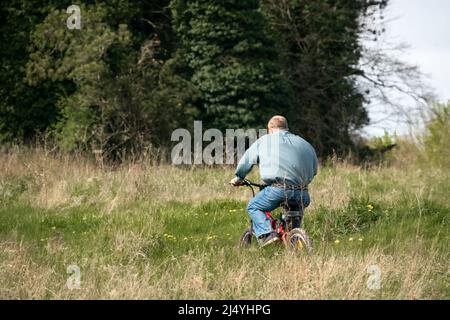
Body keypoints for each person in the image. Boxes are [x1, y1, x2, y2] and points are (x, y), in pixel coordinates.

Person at [230, 115, 318, 247]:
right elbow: (314, 170)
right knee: (292, 221)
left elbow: (246, 161)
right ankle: (294, 240)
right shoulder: (305, 143)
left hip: (279, 190)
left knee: (253, 206)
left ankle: (268, 234)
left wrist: (238, 178)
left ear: (270, 129)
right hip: (303, 193)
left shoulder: (265, 140)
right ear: (286, 128)